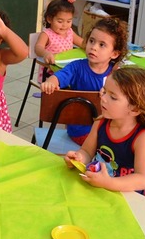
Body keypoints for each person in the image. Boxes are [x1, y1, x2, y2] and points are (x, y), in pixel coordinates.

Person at [63, 68, 145, 194]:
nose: (103, 98)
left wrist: (108, 183)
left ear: (134, 109)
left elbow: (142, 179)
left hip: (125, 196)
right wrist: (78, 158)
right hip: (97, 189)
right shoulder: (101, 122)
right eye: (105, 91)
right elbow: (86, 151)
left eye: (113, 97)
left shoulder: (142, 138)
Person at [40, 17, 128, 145]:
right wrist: (50, 83)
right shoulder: (76, 67)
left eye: (101, 45)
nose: (93, 47)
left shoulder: (115, 74)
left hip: (106, 131)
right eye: (91, 41)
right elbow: (57, 77)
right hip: (82, 132)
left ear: (114, 54)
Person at [34, 0, 84, 82]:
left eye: (69, 21)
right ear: (49, 19)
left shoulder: (70, 32)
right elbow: (38, 48)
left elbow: (83, 43)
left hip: (67, 69)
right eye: (60, 21)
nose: (65, 25)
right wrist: (45, 53)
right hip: (51, 71)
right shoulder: (47, 34)